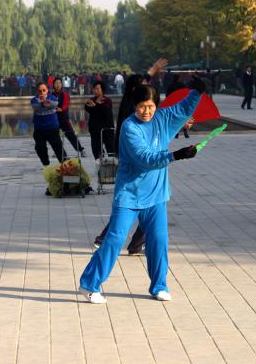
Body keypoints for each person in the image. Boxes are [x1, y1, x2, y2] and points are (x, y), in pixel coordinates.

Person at [79, 77, 205, 304]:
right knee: (115, 239)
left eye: (150, 106)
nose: (146, 111)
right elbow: (145, 159)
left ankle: (159, 286)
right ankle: (89, 284)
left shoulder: (163, 118)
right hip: (130, 194)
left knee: (158, 240)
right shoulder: (130, 127)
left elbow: (184, 108)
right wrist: (176, 155)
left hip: (156, 195)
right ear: (134, 106)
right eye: (141, 106)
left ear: (157, 105)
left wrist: (197, 90)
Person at [93, 59, 168, 254]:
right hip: (136, 158)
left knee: (145, 203)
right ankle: (110, 239)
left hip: (140, 158)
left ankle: (133, 243)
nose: (147, 90)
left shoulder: (134, 102)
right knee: (136, 203)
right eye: (143, 87)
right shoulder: (132, 106)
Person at [30, 82, 66, 166]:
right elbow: (36, 107)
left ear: (47, 90)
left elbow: (54, 104)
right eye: (40, 91)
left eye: (44, 90)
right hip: (39, 129)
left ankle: (66, 165)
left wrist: (45, 102)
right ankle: (46, 163)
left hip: (52, 128)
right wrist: (44, 103)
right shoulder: (34, 100)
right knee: (40, 147)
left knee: (58, 148)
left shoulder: (52, 97)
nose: (42, 92)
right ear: (37, 91)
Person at [52, 78, 86, 157]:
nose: (57, 85)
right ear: (53, 85)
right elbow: (48, 105)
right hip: (54, 119)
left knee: (71, 135)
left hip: (64, 119)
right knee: (54, 136)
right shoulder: (51, 95)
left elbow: (66, 104)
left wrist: (61, 109)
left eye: (59, 83)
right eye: (56, 83)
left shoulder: (65, 94)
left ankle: (81, 150)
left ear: (61, 85)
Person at [84, 80, 114, 159]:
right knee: (97, 153)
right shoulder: (91, 100)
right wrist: (95, 104)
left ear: (102, 90)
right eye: (94, 89)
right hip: (95, 131)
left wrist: (96, 105)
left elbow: (106, 112)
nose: (95, 91)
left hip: (107, 130)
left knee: (111, 152)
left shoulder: (107, 100)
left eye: (97, 89)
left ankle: (114, 169)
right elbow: (87, 108)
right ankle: (100, 169)